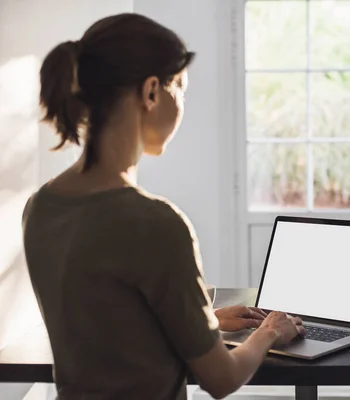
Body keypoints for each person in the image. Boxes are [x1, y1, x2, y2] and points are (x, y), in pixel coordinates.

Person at [22, 13, 305, 400]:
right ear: (152, 92)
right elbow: (221, 379)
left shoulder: (40, 208)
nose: (183, 104)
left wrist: (205, 322)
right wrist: (270, 331)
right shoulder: (156, 222)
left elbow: (108, 329)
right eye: (182, 89)